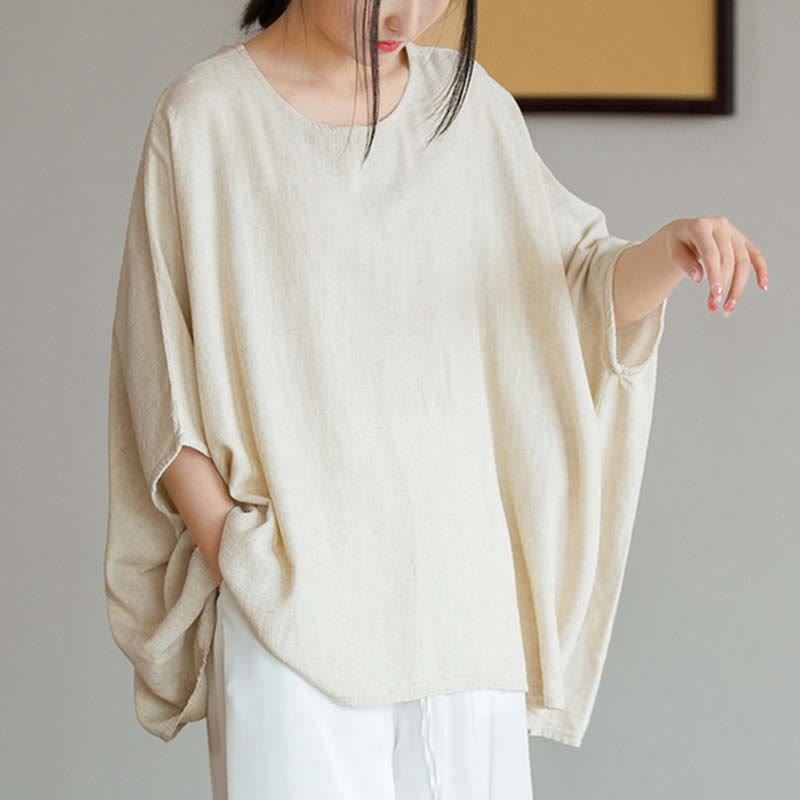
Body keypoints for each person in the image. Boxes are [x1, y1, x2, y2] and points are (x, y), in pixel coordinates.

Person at [103, 0, 769, 798]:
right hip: (294, 611)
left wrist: (669, 252)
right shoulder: (205, 119)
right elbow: (160, 381)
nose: (409, 14)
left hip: (463, 603)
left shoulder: (468, 106)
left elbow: (567, 298)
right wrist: (244, 560)